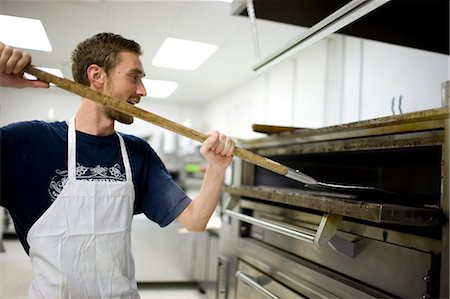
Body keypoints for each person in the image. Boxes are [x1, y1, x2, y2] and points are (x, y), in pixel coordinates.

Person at [0, 32, 235, 298]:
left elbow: (195, 220)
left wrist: (216, 167)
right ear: (96, 76)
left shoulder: (137, 152)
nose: (142, 91)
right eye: (134, 77)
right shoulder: (29, 142)